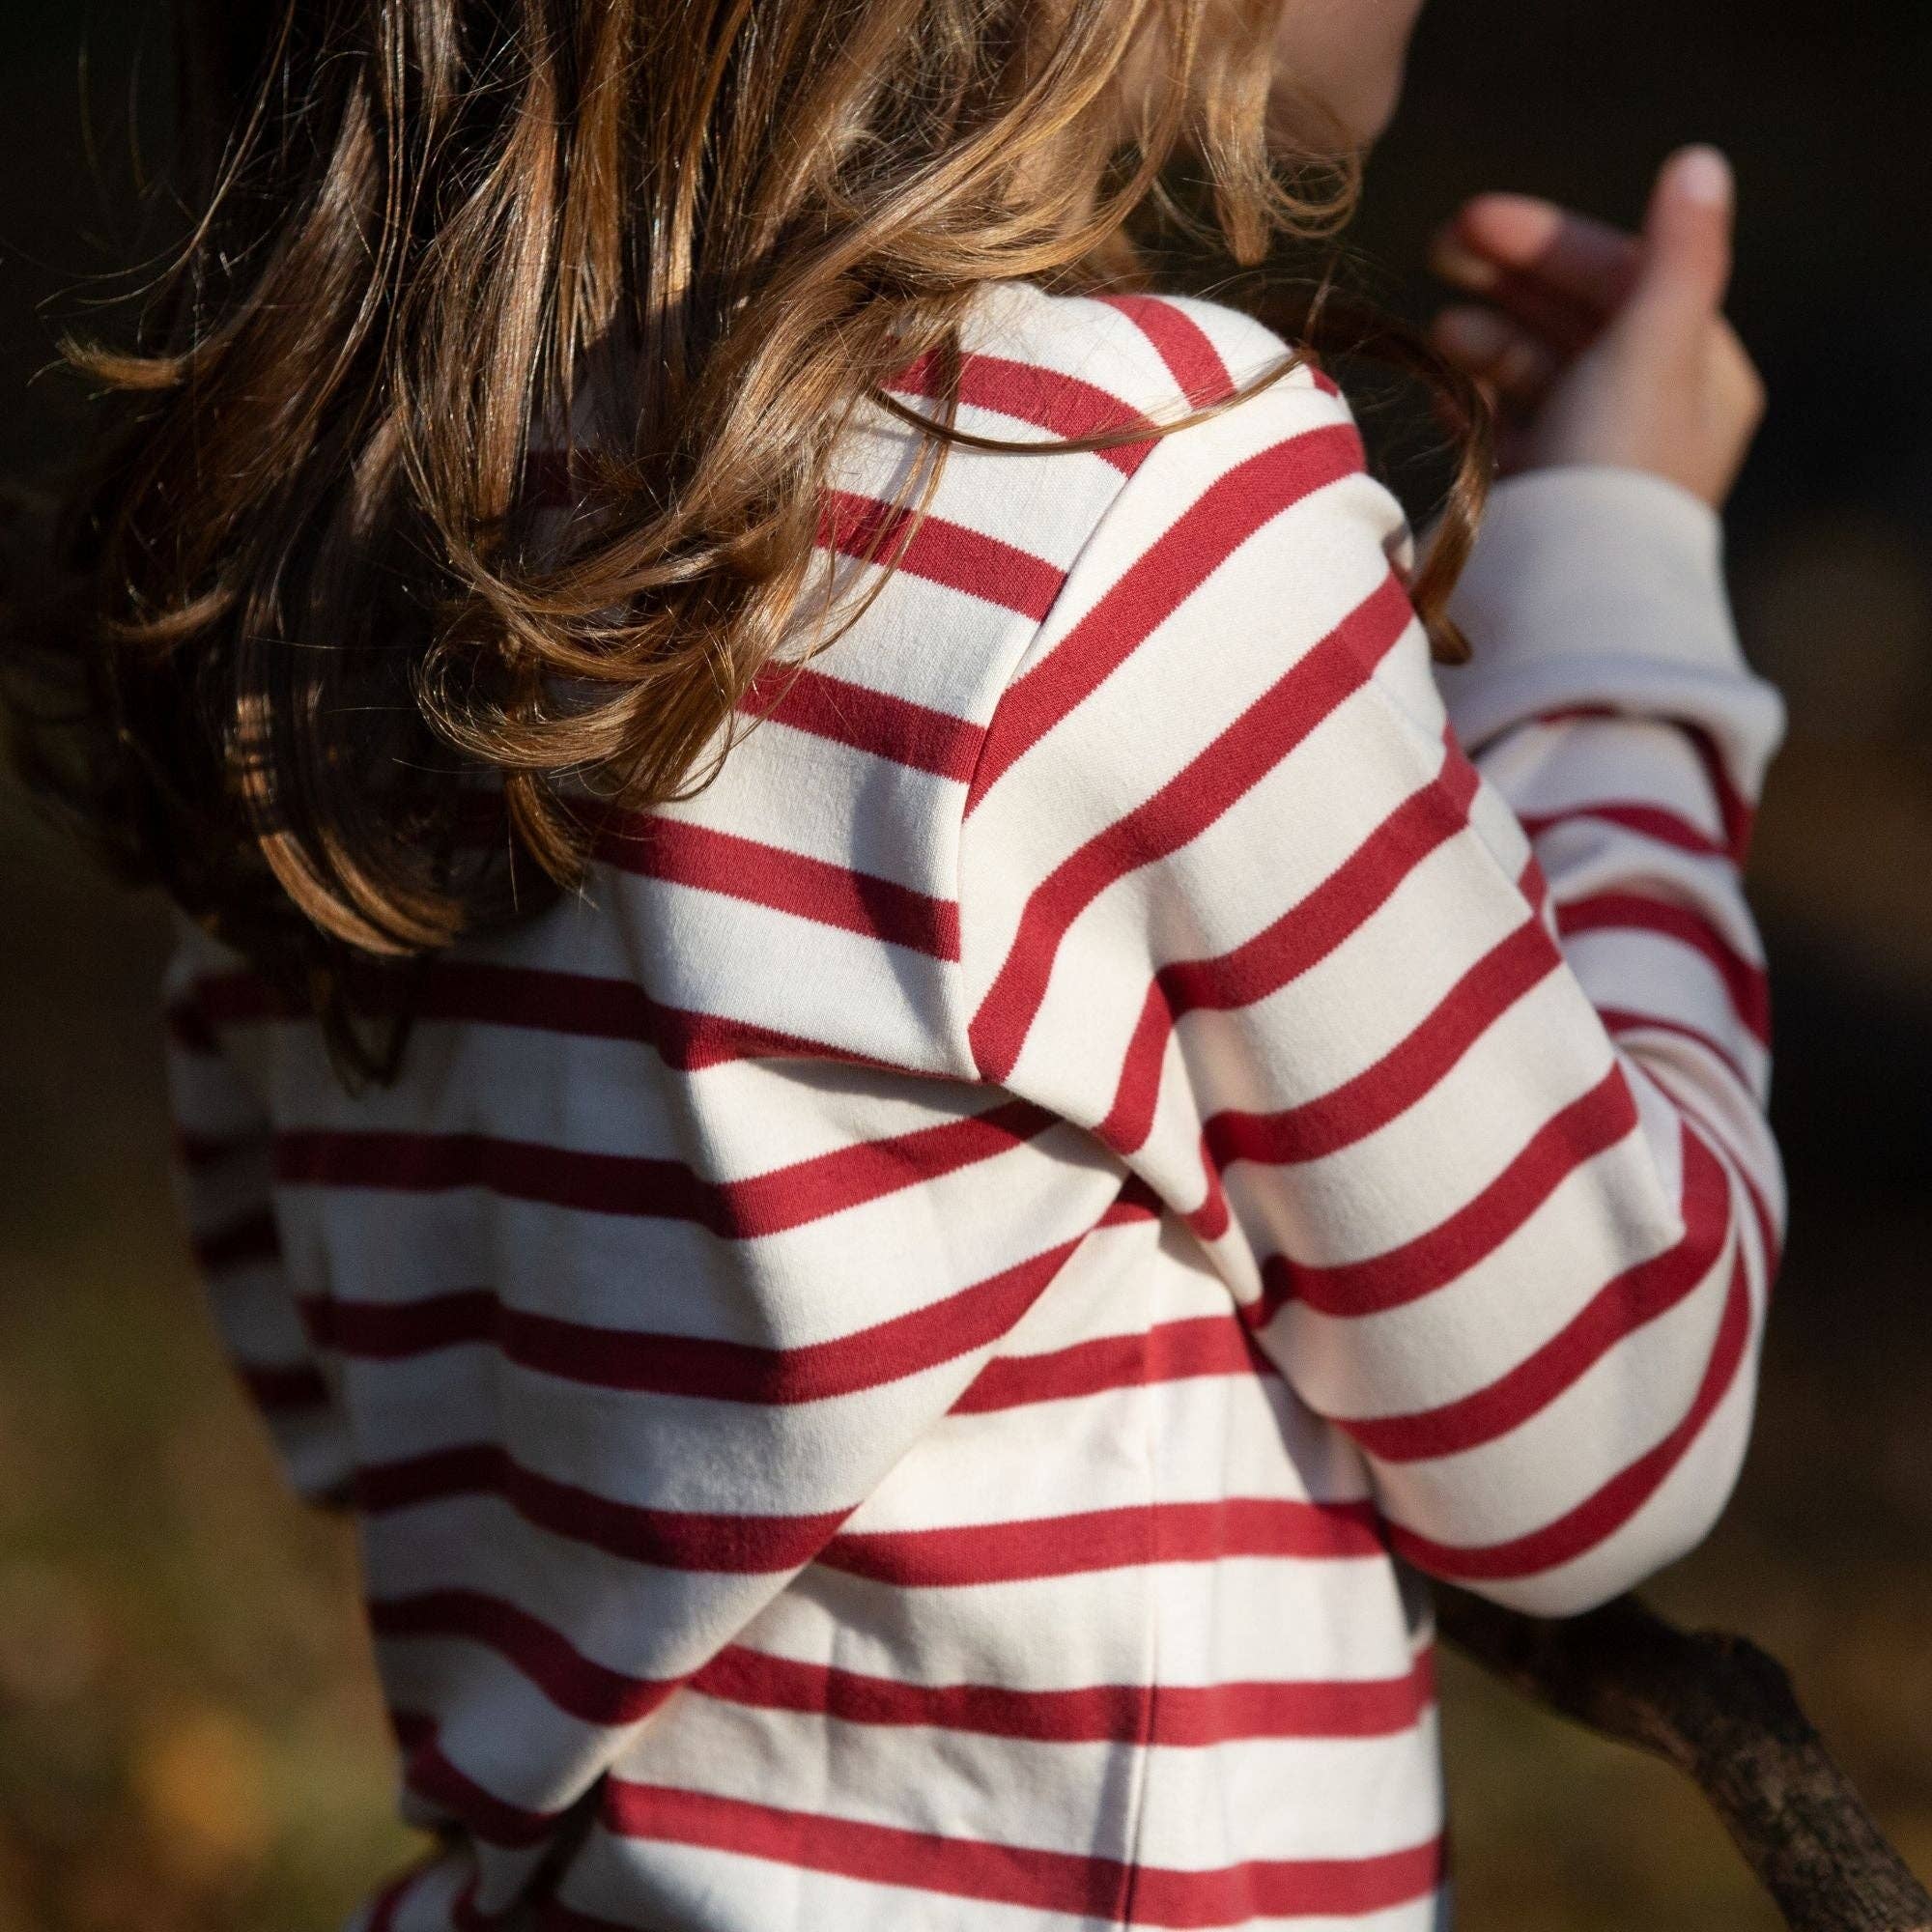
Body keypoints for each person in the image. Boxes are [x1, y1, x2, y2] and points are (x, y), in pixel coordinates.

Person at [9, 0, 1786, 1925]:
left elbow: (321, 1370)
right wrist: (1614, 582)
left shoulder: (339, 551)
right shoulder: (1130, 507)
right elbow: (1602, 1419)